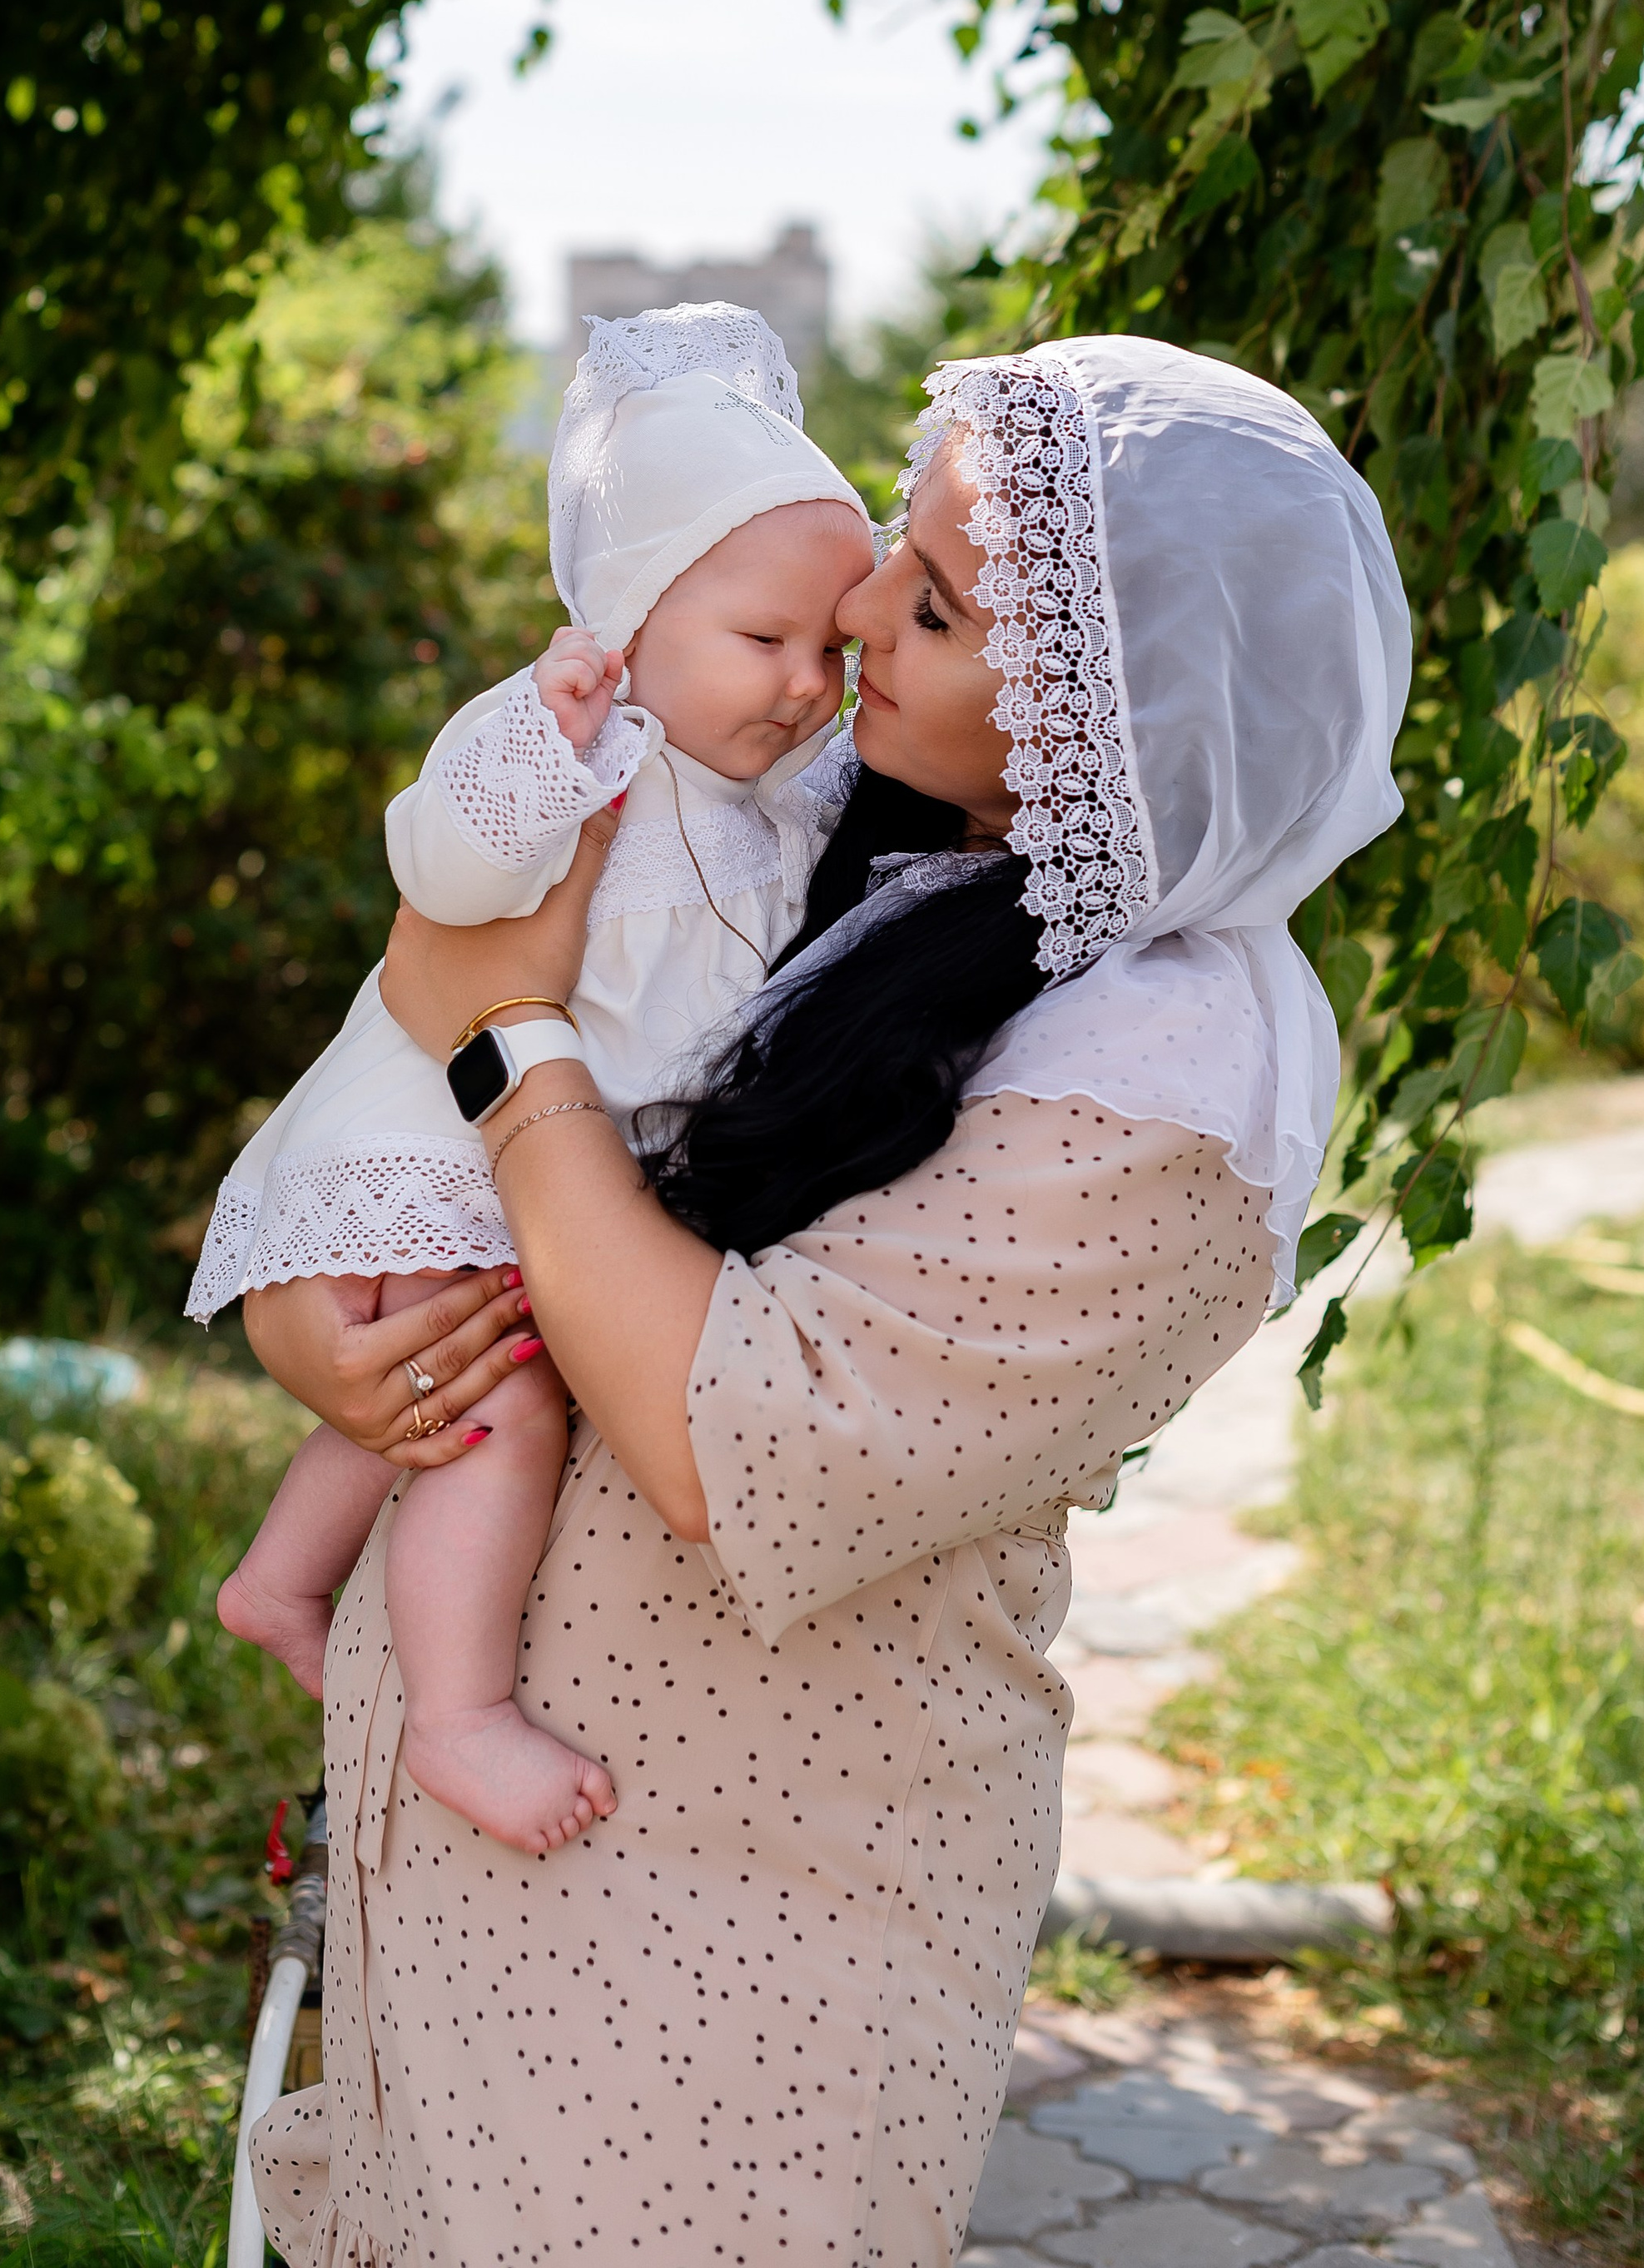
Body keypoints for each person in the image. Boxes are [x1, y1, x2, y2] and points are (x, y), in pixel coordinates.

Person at [244, 336, 1413, 2268]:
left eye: (936, 608)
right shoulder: (852, 852)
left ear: (1097, 721)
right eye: (891, 542)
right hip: (512, 1853)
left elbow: (727, 1432)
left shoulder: (1169, 1079)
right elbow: (442, 1082)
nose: (857, 611)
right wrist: (338, 1343)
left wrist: (502, 1041)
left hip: (739, 1916)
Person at [190, 305, 872, 1854]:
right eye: (764, 642)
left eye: (830, 649)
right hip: (432, 1131)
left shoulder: (767, 808)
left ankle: (281, 1578)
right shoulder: (591, 743)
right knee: (504, 1409)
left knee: (428, 1386)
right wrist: (538, 751)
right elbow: (432, 856)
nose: (802, 683)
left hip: (504, 1140)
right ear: (632, 627)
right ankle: (458, 1713)